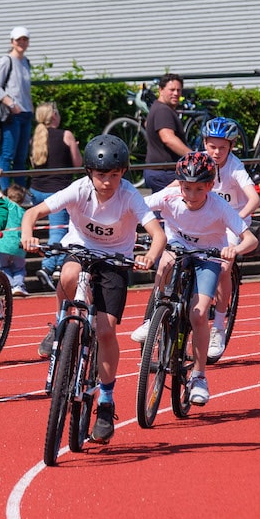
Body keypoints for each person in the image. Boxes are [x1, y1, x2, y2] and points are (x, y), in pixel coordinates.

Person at [21, 135, 165, 444]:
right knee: (69, 272)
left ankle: (106, 401)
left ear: (123, 173)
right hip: (81, 250)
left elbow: (157, 233)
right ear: (89, 171)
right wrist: (27, 235)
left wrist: (150, 256)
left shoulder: (128, 196)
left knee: (105, 331)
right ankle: (59, 323)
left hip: (115, 261)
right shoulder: (79, 189)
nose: (107, 181)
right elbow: (32, 213)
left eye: (115, 174)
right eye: (101, 174)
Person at [132, 153, 258, 405]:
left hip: (208, 257)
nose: (191, 195)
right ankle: (155, 313)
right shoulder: (169, 197)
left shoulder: (219, 206)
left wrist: (234, 249)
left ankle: (199, 376)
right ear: (179, 185)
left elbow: (251, 240)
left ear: (210, 187)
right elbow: (135, 207)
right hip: (178, 249)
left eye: (199, 189)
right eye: (186, 188)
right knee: (166, 259)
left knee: (199, 314)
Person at [200, 117, 260, 358]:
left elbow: (254, 199)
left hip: (233, 222)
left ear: (231, 147)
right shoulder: (201, 161)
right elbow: (178, 183)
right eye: (212, 146)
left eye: (222, 147)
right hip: (206, 219)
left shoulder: (235, 167)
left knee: (225, 266)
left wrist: (236, 219)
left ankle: (218, 326)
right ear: (204, 143)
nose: (216, 152)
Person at [28, 101, 82, 292]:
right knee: (59, 232)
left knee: (60, 230)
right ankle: (48, 266)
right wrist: (74, 146)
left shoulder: (36, 137)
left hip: (36, 189)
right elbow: (77, 164)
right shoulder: (65, 135)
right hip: (57, 189)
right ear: (55, 116)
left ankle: (59, 266)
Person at [0, 26, 33, 191]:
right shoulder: (6, 60)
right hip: (12, 114)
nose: (22, 43)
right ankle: (4, 191)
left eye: (25, 39)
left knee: (21, 156)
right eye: (18, 40)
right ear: (12, 42)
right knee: (7, 154)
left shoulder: (26, 61)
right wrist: (12, 104)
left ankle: (20, 192)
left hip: (26, 113)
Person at [143, 73, 190, 193]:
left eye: (178, 90)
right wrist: (193, 156)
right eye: (172, 90)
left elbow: (147, 124)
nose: (176, 93)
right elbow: (168, 138)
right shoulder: (163, 110)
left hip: (158, 172)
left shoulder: (157, 108)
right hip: (164, 173)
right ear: (161, 90)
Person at [0, 184, 29, 297]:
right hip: (18, 245)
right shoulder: (24, 212)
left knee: (4, 267)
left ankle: (11, 285)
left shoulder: (7, 204)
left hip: (2, 244)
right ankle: (18, 285)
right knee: (19, 267)